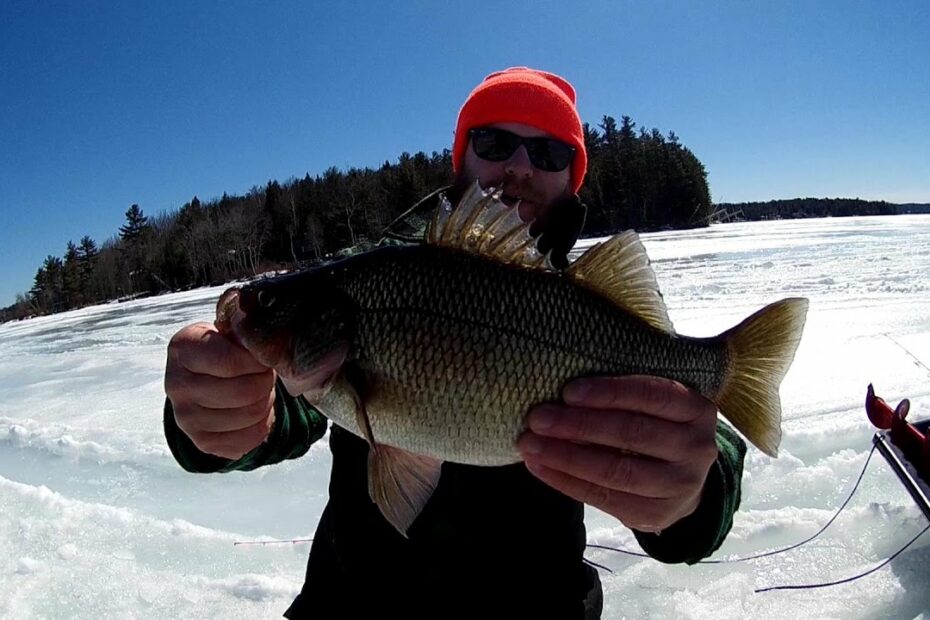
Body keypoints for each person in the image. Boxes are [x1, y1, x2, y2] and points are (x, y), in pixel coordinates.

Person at [163, 67, 746, 619]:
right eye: (494, 143)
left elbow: (696, 429)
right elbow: (280, 405)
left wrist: (695, 491)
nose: (518, 166)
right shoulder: (362, 279)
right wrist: (222, 412)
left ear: (573, 178)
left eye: (547, 152)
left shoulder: (596, 309)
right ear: (460, 158)